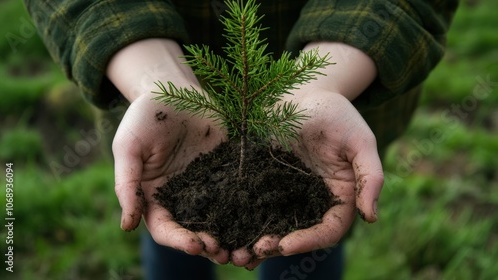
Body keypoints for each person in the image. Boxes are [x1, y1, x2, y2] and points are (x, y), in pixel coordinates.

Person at [24, 0, 459, 279]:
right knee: (169, 228)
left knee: (308, 250)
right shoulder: (166, 150)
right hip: (163, 132)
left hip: (333, 116)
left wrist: (323, 85)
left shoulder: (315, 147)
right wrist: (152, 80)